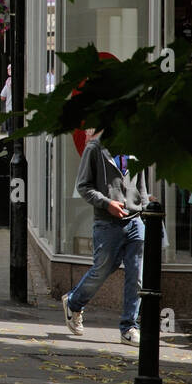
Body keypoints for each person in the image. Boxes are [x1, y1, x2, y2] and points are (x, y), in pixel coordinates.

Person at [63, 132, 151, 344]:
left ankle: (129, 327)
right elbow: (83, 186)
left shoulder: (135, 146)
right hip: (106, 222)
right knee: (103, 268)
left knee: (136, 274)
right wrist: (107, 203)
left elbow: (141, 183)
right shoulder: (95, 148)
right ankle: (74, 303)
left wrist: (146, 208)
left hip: (135, 219)